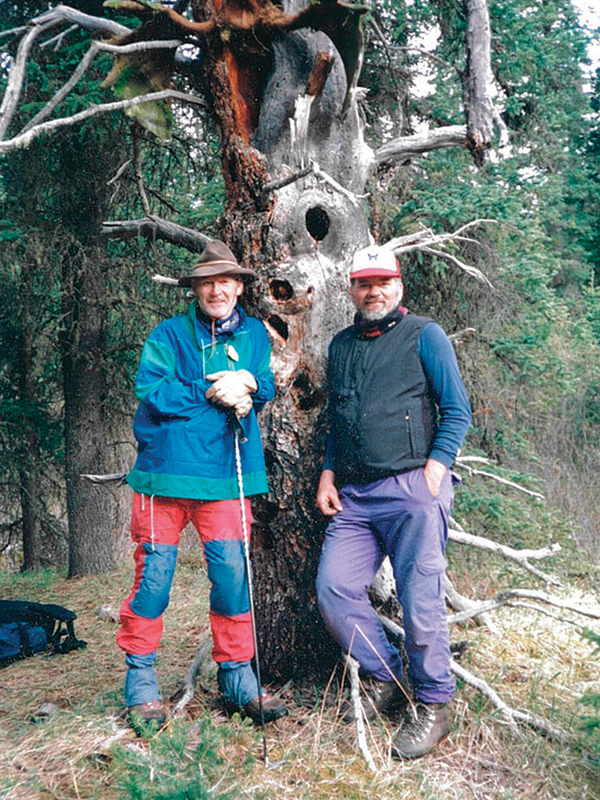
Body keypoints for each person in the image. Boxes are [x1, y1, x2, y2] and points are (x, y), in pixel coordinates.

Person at [116, 240, 288, 731]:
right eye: (207, 282)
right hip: (163, 477)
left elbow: (265, 381)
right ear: (195, 288)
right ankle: (141, 679)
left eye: (226, 281)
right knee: (153, 580)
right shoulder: (168, 335)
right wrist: (213, 388)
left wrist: (250, 386)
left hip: (227, 476)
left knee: (234, 578)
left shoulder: (255, 332)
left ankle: (236, 675)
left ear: (239, 287)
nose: (217, 289)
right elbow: (152, 392)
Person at [315, 244, 471, 760]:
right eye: (363, 283)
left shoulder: (425, 335)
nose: (373, 291)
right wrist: (328, 475)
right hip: (355, 497)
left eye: (382, 282)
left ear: (398, 285)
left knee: (419, 597)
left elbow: (456, 409)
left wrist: (435, 468)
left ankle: (434, 704)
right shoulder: (341, 346)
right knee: (334, 589)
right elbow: (337, 422)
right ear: (352, 289)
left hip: (413, 490)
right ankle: (389, 677)